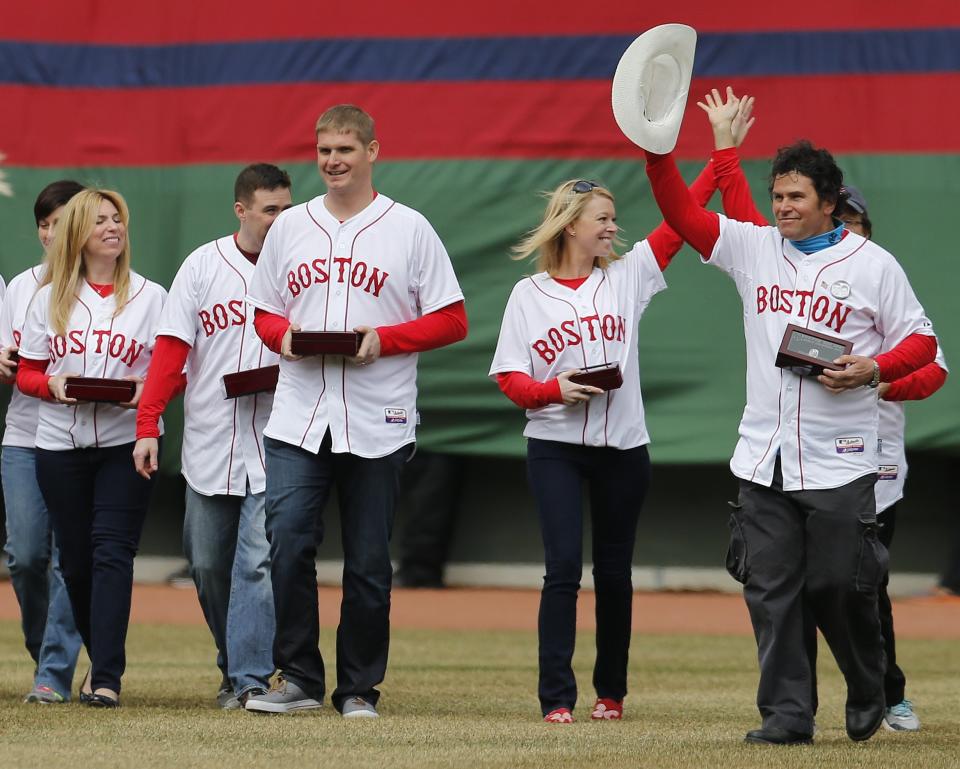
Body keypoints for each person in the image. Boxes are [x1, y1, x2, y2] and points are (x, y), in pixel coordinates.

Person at [644, 88, 938, 744]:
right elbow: (682, 214)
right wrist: (656, 149)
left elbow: (921, 342)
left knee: (839, 583)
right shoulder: (754, 247)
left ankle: (868, 684)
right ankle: (786, 716)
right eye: (777, 196)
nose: (782, 207)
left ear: (829, 203)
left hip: (843, 452)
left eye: (796, 197)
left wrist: (873, 367)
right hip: (763, 455)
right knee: (771, 588)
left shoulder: (872, 265)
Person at [487, 105, 755, 724]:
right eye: (603, 218)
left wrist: (719, 163)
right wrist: (555, 391)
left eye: (613, 217)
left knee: (614, 573)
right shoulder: (528, 295)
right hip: (554, 441)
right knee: (561, 573)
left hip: (624, 446)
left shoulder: (630, 275)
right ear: (571, 225)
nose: (614, 227)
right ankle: (557, 697)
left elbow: (682, 220)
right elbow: (509, 379)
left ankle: (612, 693)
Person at [243, 104, 468, 718]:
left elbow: (453, 318)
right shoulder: (291, 227)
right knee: (287, 542)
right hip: (299, 412)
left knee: (368, 561)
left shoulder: (409, 227)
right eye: (324, 151)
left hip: (378, 415)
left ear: (372, 151)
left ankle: (359, 688)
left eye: (345, 149)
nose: (333, 161)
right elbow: (261, 310)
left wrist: (385, 339)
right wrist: (280, 336)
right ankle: (299, 681)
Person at [132, 164, 293, 709]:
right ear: (241, 210)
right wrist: (148, 421)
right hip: (210, 435)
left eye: (286, 209)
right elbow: (172, 350)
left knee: (257, 559)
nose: (280, 219)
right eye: (270, 209)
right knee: (206, 563)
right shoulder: (203, 264)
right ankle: (233, 664)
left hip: (279, 435)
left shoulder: (303, 266)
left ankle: (248, 679)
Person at [15, 188, 167, 707]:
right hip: (59, 442)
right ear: (77, 233)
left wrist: (151, 395)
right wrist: (52, 386)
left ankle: (106, 675)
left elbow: (172, 370)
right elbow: (30, 374)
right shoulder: (48, 297)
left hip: (126, 443)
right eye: (99, 220)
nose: (112, 227)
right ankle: (97, 661)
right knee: (76, 563)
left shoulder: (151, 296)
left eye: (117, 219)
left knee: (111, 554)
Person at [0, 180, 85, 704]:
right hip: (26, 434)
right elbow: (10, 353)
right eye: (45, 223)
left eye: (63, 221)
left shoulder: (113, 288)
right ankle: (44, 653)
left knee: (67, 558)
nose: (53, 232)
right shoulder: (20, 287)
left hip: (84, 440)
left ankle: (53, 671)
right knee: (26, 553)